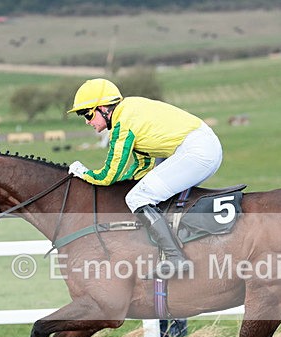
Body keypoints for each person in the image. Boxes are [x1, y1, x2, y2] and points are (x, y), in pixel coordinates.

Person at [66, 78, 223, 278]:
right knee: (145, 193)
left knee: (137, 198)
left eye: (87, 114)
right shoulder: (129, 111)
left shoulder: (123, 124)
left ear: (104, 108)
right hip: (202, 147)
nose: (87, 121)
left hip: (197, 151)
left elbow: (108, 175)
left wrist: (81, 172)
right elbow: (143, 166)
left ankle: (176, 258)